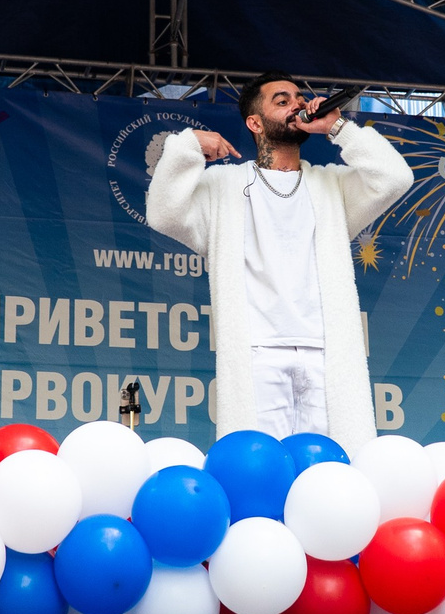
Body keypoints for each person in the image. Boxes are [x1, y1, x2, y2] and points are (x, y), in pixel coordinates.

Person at [146, 73, 414, 447]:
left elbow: (395, 178)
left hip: (326, 353)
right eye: (282, 100)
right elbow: (164, 214)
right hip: (257, 353)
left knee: (333, 474)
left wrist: (337, 127)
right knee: (260, 474)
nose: (298, 105)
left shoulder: (331, 186)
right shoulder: (223, 186)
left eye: (299, 98)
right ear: (255, 123)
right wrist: (186, 146)